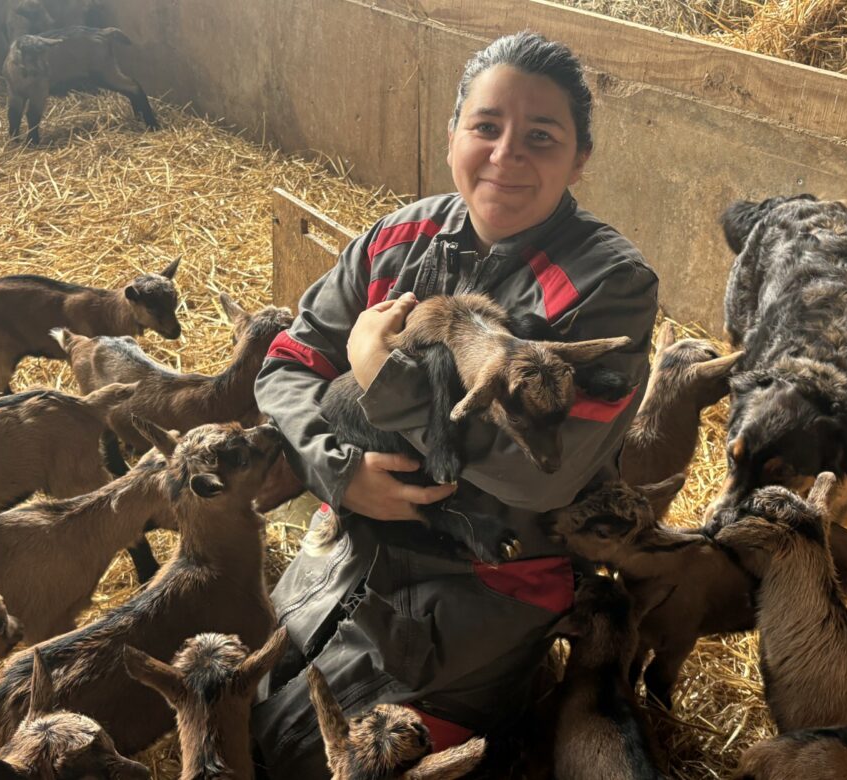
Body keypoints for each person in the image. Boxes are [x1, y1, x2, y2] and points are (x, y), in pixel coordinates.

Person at [251, 31, 659, 777]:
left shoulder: (608, 286)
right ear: (452, 138)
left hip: (488, 576)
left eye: (542, 135)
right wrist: (339, 472)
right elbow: (289, 362)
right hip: (352, 536)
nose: (507, 153)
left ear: (580, 157)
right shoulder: (398, 237)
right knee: (241, 698)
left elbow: (544, 475)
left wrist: (382, 374)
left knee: (309, 757)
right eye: (486, 126)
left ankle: (506, 684)